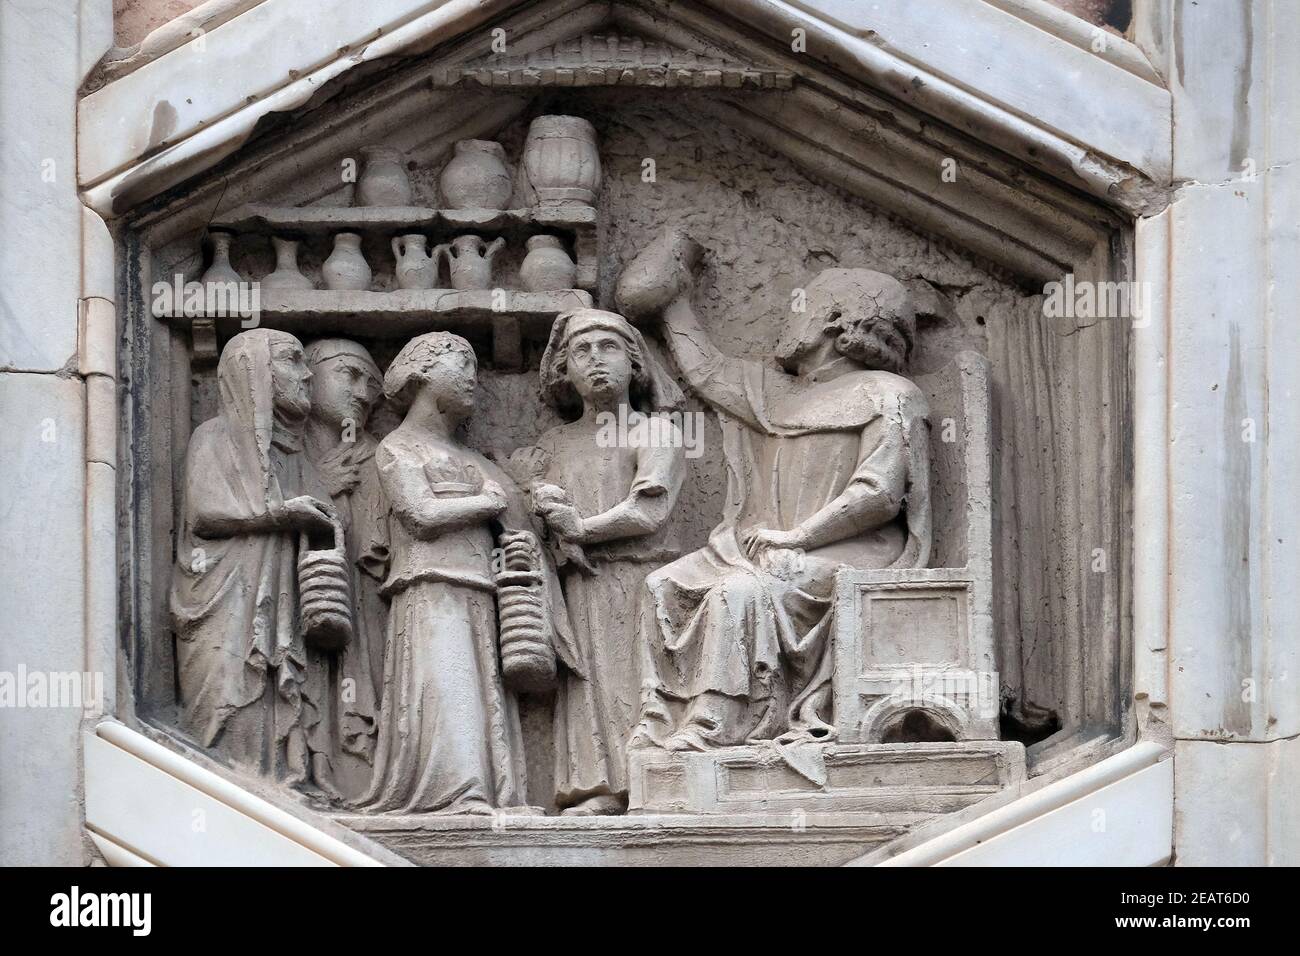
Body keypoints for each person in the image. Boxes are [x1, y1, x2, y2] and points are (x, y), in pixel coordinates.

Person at [616, 228, 932, 751]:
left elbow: (879, 495)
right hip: (765, 547)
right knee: (663, 585)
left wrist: (798, 538)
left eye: (798, 311)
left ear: (834, 322)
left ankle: (716, 725)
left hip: (848, 552)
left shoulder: (889, 395)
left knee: (739, 593)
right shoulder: (774, 392)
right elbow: (708, 372)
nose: (788, 323)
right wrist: (673, 304)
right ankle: (656, 719)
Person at [357, 332, 570, 814]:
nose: (472, 377)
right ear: (422, 374)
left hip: (483, 589)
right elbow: (420, 515)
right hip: (428, 583)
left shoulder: (475, 460)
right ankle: (451, 791)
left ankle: (492, 792)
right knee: (446, 682)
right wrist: (487, 502)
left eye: (474, 364)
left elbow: (514, 524)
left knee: (484, 693)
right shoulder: (399, 448)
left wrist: (519, 535)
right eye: (459, 363)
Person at [507, 309, 686, 815]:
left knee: (631, 677)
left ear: (634, 364)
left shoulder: (656, 432)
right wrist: (539, 512)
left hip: (636, 575)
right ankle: (597, 787)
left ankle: (644, 782)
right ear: (565, 369)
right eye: (581, 352)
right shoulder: (552, 444)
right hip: (573, 584)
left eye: (608, 348)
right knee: (585, 685)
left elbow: (648, 510)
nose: (595, 361)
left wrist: (581, 527)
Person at [170, 328, 338, 789]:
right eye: (292, 361)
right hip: (223, 600)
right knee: (228, 698)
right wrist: (280, 515)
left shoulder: (297, 458)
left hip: (283, 603)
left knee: (279, 686)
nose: (307, 377)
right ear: (255, 373)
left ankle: (286, 782)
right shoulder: (215, 437)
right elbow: (205, 513)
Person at [303, 338, 387, 800]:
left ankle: (363, 776)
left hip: (369, 592)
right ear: (309, 378)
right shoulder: (283, 446)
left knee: (369, 675)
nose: (362, 391)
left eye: (372, 383)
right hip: (307, 588)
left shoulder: (379, 453)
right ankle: (312, 766)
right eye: (348, 375)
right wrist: (319, 485)